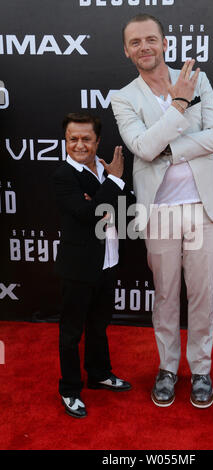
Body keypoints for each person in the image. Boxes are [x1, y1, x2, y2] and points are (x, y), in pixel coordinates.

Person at [111, 14, 213, 408]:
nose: (144, 47)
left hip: (202, 207)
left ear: (164, 43)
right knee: (165, 296)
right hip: (160, 211)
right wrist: (179, 106)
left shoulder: (199, 79)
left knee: (202, 294)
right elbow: (141, 148)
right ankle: (167, 368)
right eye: (135, 42)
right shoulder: (123, 97)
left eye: (151, 39)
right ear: (126, 51)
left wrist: (169, 146)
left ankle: (200, 370)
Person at [52, 112, 131, 418]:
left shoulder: (103, 170)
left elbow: (127, 212)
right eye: (73, 139)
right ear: (66, 141)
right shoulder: (63, 176)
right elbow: (87, 215)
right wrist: (113, 183)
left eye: (86, 139)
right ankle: (70, 389)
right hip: (78, 268)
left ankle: (99, 374)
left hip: (108, 262)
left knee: (99, 326)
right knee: (71, 332)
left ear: (98, 141)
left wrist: (101, 198)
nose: (79, 145)